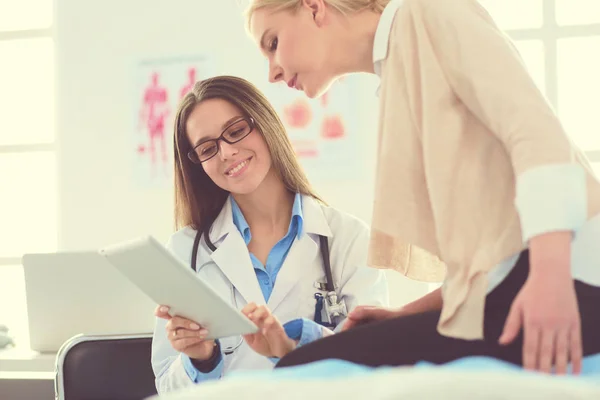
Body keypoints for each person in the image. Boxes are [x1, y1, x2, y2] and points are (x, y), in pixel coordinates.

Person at [245, 0, 600, 374]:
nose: (272, 73)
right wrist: (403, 316)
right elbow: (495, 262)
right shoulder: (399, 67)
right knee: (309, 363)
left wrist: (551, 278)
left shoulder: (429, 12)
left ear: (314, 8)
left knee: (308, 369)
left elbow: (537, 136)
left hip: (575, 280)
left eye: (273, 43)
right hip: (523, 285)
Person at [150, 75, 389, 393]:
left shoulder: (348, 238)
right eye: (208, 148)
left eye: (235, 131)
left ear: (264, 123)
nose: (226, 152)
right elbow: (166, 387)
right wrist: (201, 359)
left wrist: (296, 347)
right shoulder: (184, 251)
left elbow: (372, 367)